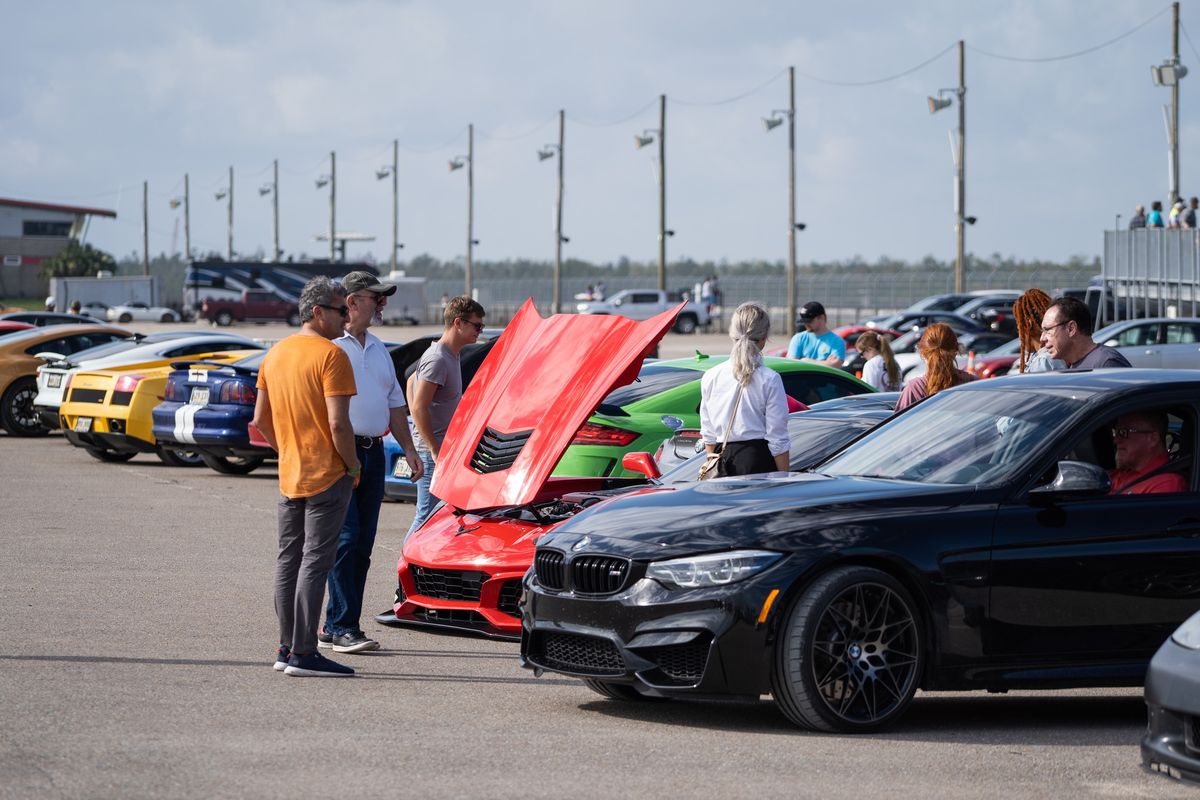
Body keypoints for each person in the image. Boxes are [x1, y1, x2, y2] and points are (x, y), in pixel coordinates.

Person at [252, 276, 360, 678]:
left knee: (288, 561)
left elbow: (260, 419)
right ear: (317, 312)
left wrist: (288, 450)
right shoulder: (331, 356)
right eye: (340, 310)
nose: (346, 318)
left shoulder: (275, 354)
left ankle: (285, 647)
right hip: (327, 474)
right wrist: (352, 466)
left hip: (290, 474)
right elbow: (339, 425)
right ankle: (304, 652)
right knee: (316, 562)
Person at [317, 271, 423, 655]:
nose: (382, 304)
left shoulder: (378, 349)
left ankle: (333, 624)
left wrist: (409, 449)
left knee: (361, 545)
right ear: (351, 302)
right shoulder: (332, 347)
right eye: (375, 297)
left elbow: (395, 403)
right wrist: (344, 459)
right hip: (339, 452)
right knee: (345, 541)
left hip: (373, 452)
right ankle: (345, 627)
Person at [406, 295, 486, 538]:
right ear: (459, 323)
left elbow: (411, 381)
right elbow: (419, 407)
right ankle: (406, 568)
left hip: (441, 450)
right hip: (434, 454)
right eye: (477, 325)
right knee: (427, 517)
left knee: (436, 517)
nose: (479, 331)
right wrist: (432, 447)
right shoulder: (438, 358)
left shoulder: (451, 354)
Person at [699, 302, 789, 476]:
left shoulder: (711, 376)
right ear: (764, 338)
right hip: (757, 461)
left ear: (732, 335)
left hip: (720, 460)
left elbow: (708, 433)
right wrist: (785, 477)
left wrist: (712, 466)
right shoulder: (770, 378)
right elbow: (777, 438)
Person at [896, 323, 975, 411]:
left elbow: (896, 424)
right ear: (956, 351)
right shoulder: (974, 385)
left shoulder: (914, 389)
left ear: (922, 353)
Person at [1039, 296, 1132, 370]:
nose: (1042, 338)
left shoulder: (1107, 364)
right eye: (1042, 331)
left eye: (1048, 330)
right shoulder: (1072, 366)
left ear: (1071, 329)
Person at [1107, 410, 1187, 495]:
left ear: (1153, 439)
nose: (1116, 440)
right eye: (1115, 433)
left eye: (1123, 432)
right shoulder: (1119, 473)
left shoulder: (1166, 483)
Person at [1011, 288, 1064, 373]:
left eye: (1019, 327)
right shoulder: (1056, 354)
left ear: (1028, 325)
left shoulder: (1043, 361)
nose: (1019, 334)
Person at [786, 301, 845, 367]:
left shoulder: (837, 341)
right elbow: (791, 364)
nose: (806, 324)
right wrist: (825, 362)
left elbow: (834, 365)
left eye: (809, 321)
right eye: (804, 321)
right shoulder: (798, 338)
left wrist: (805, 360)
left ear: (821, 317)